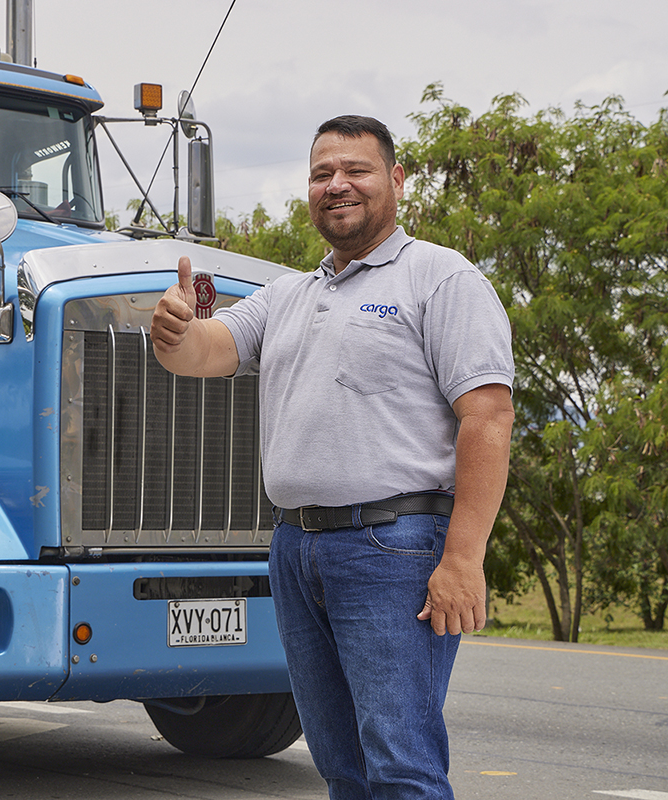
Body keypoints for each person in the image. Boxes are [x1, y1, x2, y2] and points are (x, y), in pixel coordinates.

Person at [150, 115, 515, 799]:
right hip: (297, 548)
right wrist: (173, 332)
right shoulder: (290, 294)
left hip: (394, 548)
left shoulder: (440, 278)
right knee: (342, 767)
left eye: (356, 170)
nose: (337, 185)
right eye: (322, 173)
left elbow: (489, 417)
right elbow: (207, 350)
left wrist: (463, 559)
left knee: (400, 765)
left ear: (396, 181)